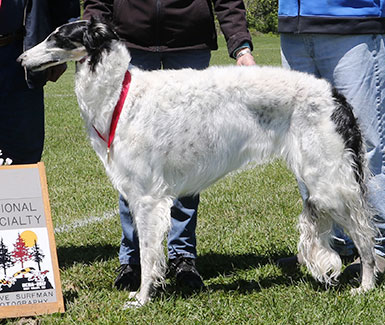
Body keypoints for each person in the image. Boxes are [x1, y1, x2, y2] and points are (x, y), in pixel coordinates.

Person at [83, 0, 256, 291]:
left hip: (189, 46)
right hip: (130, 47)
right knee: (132, 163)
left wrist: (241, 47)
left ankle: (182, 256)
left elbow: (228, 1)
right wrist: (93, 41)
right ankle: (133, 259)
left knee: (188, 159)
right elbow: (98, 3)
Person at [277, 0, 385, 276]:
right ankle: (326, 243)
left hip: (353, 26)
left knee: (367, 145)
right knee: (307, 148)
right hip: (294, 28)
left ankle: (376, 245)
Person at [0, 0, 80, 165]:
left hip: (19, 56)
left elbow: (64, 7)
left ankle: (21, 190)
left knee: (22, 155)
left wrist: (61, 50)